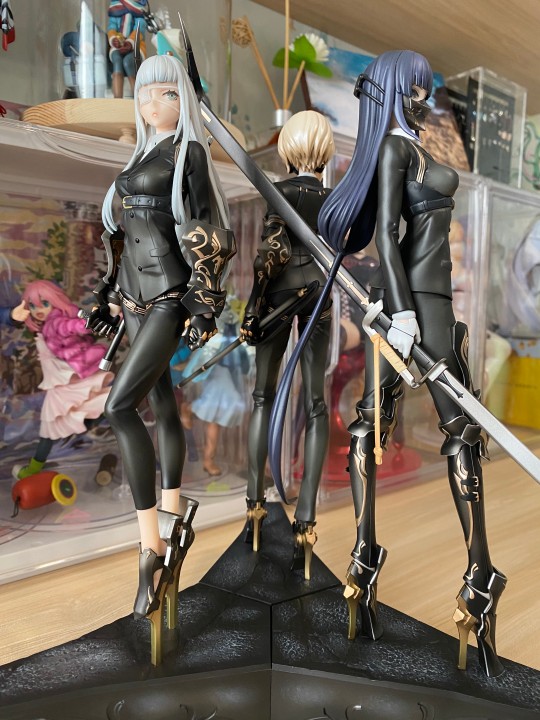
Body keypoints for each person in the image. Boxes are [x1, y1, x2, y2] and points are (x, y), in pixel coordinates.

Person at [317, 50, 505, 677]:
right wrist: (399, 313)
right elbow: (386, 239)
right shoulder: (395, 149)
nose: (423, 99)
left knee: (451, 433)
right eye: (414, 89)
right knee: (388, 426)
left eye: (427, 90)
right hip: (411, 307)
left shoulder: (416, 147)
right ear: (394, 91)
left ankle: (472, 574)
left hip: (435, 306)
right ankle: (382, 562)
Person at [87, 54, 234, 640]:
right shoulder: (140, 156)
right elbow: (117, 238)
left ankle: (151, 544)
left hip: (171, 295)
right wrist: (104, 296)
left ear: (183, 99)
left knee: (120, 405)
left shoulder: (187, 153)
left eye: (166, 93)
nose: (153, 104)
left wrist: (204, 305)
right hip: (132, 297)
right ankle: (173, 515)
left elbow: (208, 232)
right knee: (162, 404)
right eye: (145, 95)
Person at [240, 110, 335, 579]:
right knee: (316, 405)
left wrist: (252, 309)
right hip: (321, 294)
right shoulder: (335, 200)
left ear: (287, 148)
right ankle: (306, 522)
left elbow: (269, 256)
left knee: (263, 395)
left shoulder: (278, 192)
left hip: (278, 295)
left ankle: (255, 507)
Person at [13, 280, 112, 479]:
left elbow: (69, 326)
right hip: (63, 381)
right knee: (54, 424)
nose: (38, 310)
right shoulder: (45, 326)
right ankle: (36, 465)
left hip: (66, 382)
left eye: (44, 304)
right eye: (33, 306)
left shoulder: (54, 322)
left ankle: (35, 467)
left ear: (55, 301)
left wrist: (87, 323)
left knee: (51, 425)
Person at [107, 0, 148, 98]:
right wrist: (114, 39)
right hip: (118, 46)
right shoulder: (116, 7)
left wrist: (130, 43)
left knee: (128, 61)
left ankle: (137, 97)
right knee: (117, 59)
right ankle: (117, 99)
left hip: (136, 46)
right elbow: (111, 26)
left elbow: (140, 28)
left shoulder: (139, 8)